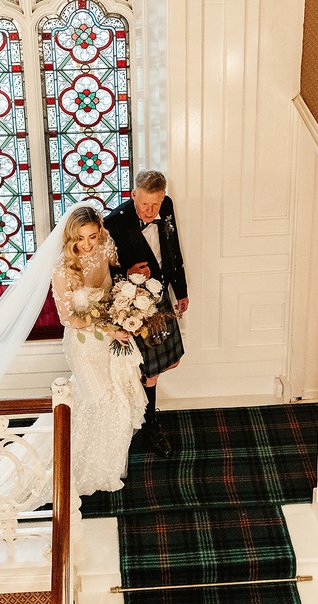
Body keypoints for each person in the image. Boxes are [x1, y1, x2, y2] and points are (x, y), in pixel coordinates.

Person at [50, 206, 148, 494]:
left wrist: (131, 298)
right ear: (71, 237)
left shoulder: (106, 247)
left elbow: (118, 276)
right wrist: (110, 329)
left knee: (118, 400)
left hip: (111, 336)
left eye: (93, 236)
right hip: (84, 344)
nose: (88, 244)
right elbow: (68, 318)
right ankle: (79, 467)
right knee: (103, 401)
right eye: (81, 238)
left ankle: (107, 467)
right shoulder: (62, 269)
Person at [105, 170, 188, 457]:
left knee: (163, 366)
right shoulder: (113, 222)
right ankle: (142, 423)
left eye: (156, 203)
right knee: (142, 372)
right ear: (133, 195)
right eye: (144, 205)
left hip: (162, 297)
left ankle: (147, 418)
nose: (151, 211)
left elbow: (173, 251)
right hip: (133, 304)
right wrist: (126, 273)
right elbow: (103, 272)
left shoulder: (167, 207)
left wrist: (182, 290)